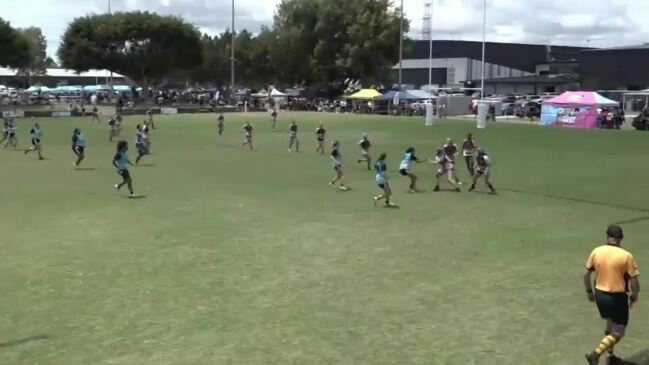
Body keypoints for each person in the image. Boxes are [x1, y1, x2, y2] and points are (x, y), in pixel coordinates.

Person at [584, 225, 640, 365]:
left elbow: (586, 274)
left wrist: (589, 291)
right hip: (617, 298)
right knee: (618, 332)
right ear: (620, 238)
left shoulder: (597, 251)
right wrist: (635, 295)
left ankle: (611, 356)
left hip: (600, 295)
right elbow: (634, 283)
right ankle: (595, 354)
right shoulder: (626, 256)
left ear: (607, 237)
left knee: (610, 326)